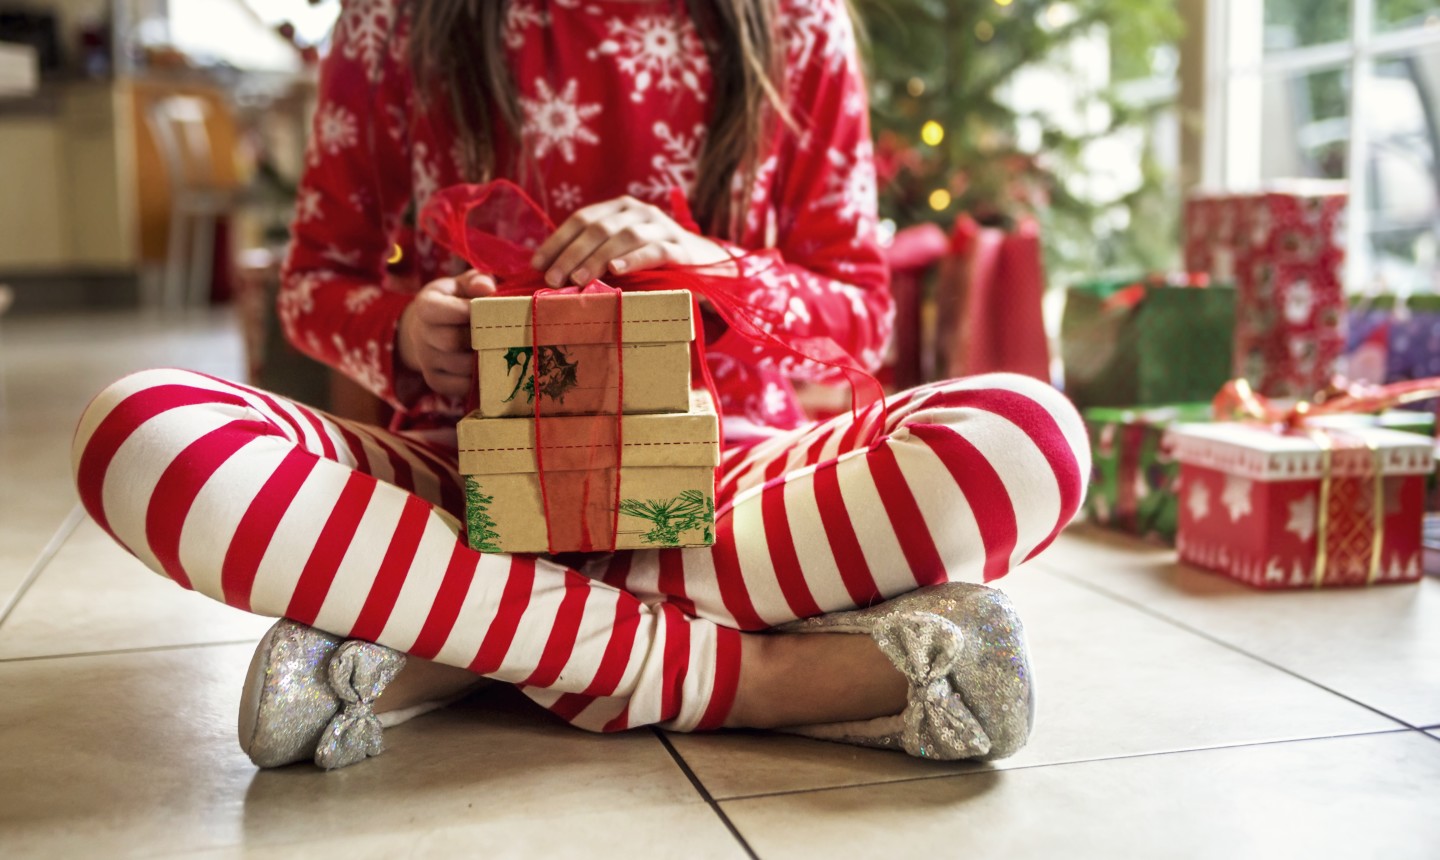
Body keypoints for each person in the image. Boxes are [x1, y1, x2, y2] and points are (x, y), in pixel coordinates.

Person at [72, 0, 1089, 770]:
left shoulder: (796, 19)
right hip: (459, 487)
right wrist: (404, 326)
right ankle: (767, 676)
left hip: (726, 485)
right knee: (139, 434)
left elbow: (860, 307)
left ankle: (462, 644)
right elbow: (311, 283)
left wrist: (708, 261)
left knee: (1033, 437)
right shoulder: (395, 18)